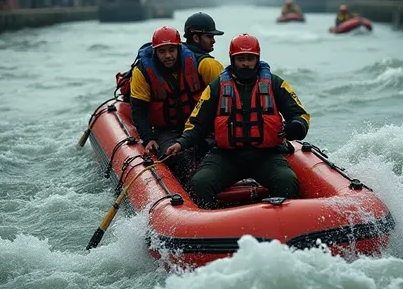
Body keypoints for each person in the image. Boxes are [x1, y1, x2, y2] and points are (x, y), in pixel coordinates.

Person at [165, 33, 310, 208]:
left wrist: (295, 127)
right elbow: (197, 124)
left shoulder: (275, 84)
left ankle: (282, 221)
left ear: (257, 59)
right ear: (233, 60)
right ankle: (210, 225)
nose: (246, 64)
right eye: (241, 59)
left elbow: (301, 115)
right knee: (200, 183)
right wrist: (180, 144)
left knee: (287, 181)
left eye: (250, 59)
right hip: (226, 156)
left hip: (266, 155)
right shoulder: (217, 87)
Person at [130, 26, 207, 173]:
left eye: (171, 50)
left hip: (195, 124)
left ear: (179, 49)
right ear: (155, 52)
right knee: (172, 155)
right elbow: (139, 110)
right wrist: (148, 139)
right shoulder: (142, 71)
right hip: (165, 130)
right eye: (162, 51)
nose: (167, 56)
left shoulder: (196, 63)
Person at [183, 12, 225, 84]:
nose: (213, 41)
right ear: (196, 38)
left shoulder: (175, 55)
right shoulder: (209, 64)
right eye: (209, 36)